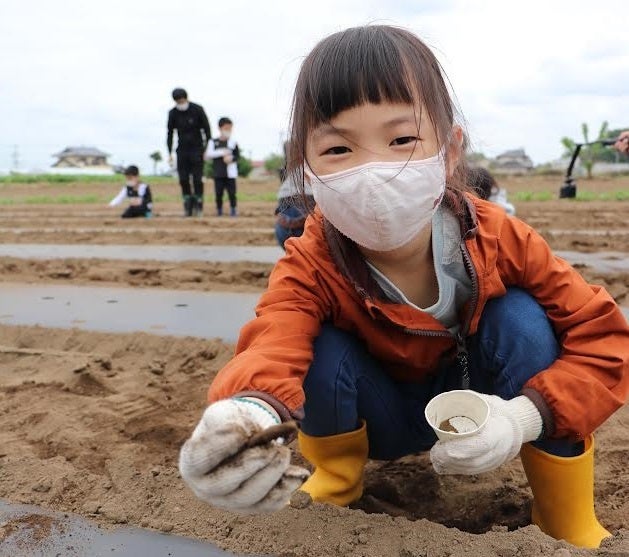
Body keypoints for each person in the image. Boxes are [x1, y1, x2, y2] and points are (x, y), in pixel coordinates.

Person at [178, 26, 629, 549]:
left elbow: (606, 339)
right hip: (382, 419)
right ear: (306, 166)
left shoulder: (499, 235)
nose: (374, 172)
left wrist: (524, 415)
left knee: (524, 319)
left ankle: (564, 511)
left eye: (402, 140)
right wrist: (248, 414)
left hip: (487, 407)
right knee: (320, 346)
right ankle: (336, 482)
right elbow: (276, 336)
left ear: (450, 147)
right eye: (339, 147)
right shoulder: (312, 257)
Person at [167, 88, 212, 217]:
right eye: (177, 101)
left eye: (181, 100)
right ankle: (188, 206)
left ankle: (199, 206)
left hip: (197, 149)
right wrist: (169, 152)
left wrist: (206, 149)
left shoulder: (197, 109)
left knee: (198, 180)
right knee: (183, 179)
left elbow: (207, 130)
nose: (180, 103)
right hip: (182, 150)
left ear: (186, 98)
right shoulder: (173, 113)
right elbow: (170, 133)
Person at [204, 117, 240, 216]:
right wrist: (222, 152)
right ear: (220, 128)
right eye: (226, 128)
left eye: (230, 128)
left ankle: (233, 210)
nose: (228, 131)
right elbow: (208, 154)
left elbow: (237, 156)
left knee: (232, 193)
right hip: (218, 173)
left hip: (230, 174)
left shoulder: (233, 142)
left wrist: (231, 159)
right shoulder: (213, 141)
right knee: (218, 193)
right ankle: (219, 210)